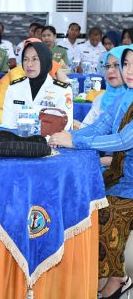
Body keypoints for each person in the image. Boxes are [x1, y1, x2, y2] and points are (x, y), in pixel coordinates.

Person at [49, 45, 133, 299]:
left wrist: (75, 142)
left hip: (130, 184)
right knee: (83, 199)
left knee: (106, 211)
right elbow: (98, 127)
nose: (128, 71)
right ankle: (89, 275)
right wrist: (65, 136)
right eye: (126, 64)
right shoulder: (124, 96)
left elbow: (123, 140)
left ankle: (118, 277)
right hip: (118, 175)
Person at [2, 41, 73, 129]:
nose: (29, 64)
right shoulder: (14, 88)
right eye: (25, 59)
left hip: (49, 138)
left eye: (35, 59)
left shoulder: (62, 91)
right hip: (17, 136)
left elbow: (63, 128)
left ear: (45, 60)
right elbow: (8, 125)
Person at [80, 46, 127, 128]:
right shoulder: (101, 99)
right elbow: (85, 126)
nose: (110, 71)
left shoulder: (129, 100)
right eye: (107, 66)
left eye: (116, 65)